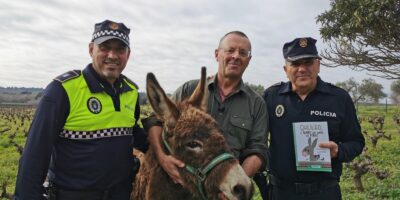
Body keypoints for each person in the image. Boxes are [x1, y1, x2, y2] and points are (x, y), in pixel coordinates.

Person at [15, 19, 147, 200]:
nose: (112, 55)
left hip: (121, 194)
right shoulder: (63, 90)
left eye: (119, 49)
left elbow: (132, 132)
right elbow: (34, 157)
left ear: (128, 54)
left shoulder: (131, 91)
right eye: (105, 47)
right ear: (91, 49)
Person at [144, 31, 268, 189]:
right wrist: (162, 158)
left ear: (249, 60)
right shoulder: (188, 89)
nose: (236, 56)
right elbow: (156, 121)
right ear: (217, 54)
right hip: (183, 189)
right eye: (230, 50)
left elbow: (258, 150)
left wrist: (233, 184)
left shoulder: (256, 103)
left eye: (243, 53)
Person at [263, 37, 365, 200]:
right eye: (295, 64)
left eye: (308, 62)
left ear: (318, 64)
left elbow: (356, 142)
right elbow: (255, 137)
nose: (302, 69)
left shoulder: (339, 98)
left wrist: (339, 151)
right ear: (285, 69)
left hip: (324, 193)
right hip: (280, 193)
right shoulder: (271, 97)